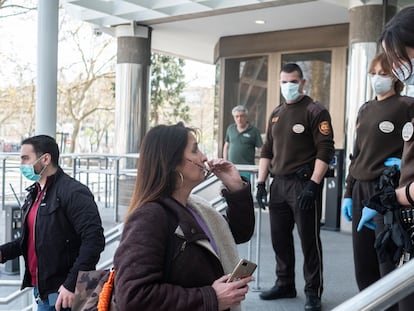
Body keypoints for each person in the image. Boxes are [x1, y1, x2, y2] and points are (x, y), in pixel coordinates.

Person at [113, 122, 255, 311]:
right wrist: (210, 298)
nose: (204, 157)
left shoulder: (195, 207)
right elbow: (133, 297)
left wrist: (236, 187)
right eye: (195, 150)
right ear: (172, 163)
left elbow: (238, 233)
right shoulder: (149, 217)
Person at [255, 63, 334, 311]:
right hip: (278, 184)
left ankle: (313, 292)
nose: (288, 86)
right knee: (279, 238)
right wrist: (260, 183)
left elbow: (326, 149)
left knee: (309, 240)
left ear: (302, 82)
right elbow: (267, 150)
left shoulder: (315, 110)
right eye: (284, 82)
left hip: (303, 184)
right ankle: (285, 283)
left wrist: (314, 184)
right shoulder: (276, 113)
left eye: (293, 81)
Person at [0, 135, 105, 311]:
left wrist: (71, 284)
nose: (21, 164)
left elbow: (94, 240)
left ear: (46, 159)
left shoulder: (73, 192)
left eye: (26, 158)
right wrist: (3, 253)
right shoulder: (34, 194)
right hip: (43, 292)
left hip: (66, 295)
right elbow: (31, 239)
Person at [341, 52, 414, 303]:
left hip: (387, 190)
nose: (377, 78)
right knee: (363, 261)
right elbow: (356, 154)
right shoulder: (365, 108)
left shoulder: (406, 105)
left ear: (395, 76)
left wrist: (402, 165)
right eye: (373, 73)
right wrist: (348, 194)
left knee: (386, 260)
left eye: (383, 74)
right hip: (361, 187)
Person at [357, 6, 414, 311]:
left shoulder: (406, 104)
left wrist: (394, 197)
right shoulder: (366, 109)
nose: (394, 67)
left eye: (396, 58)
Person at [223, 105, 263, 180]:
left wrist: (262, 166)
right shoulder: (230, 129)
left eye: (242, 116)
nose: (239, 119)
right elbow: (226, 146)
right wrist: (225, 162)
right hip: (232, 168)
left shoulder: (254, 131)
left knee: (245, 190)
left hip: (248, 169)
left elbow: (262, 150)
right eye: (236, 116)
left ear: (246, 117)